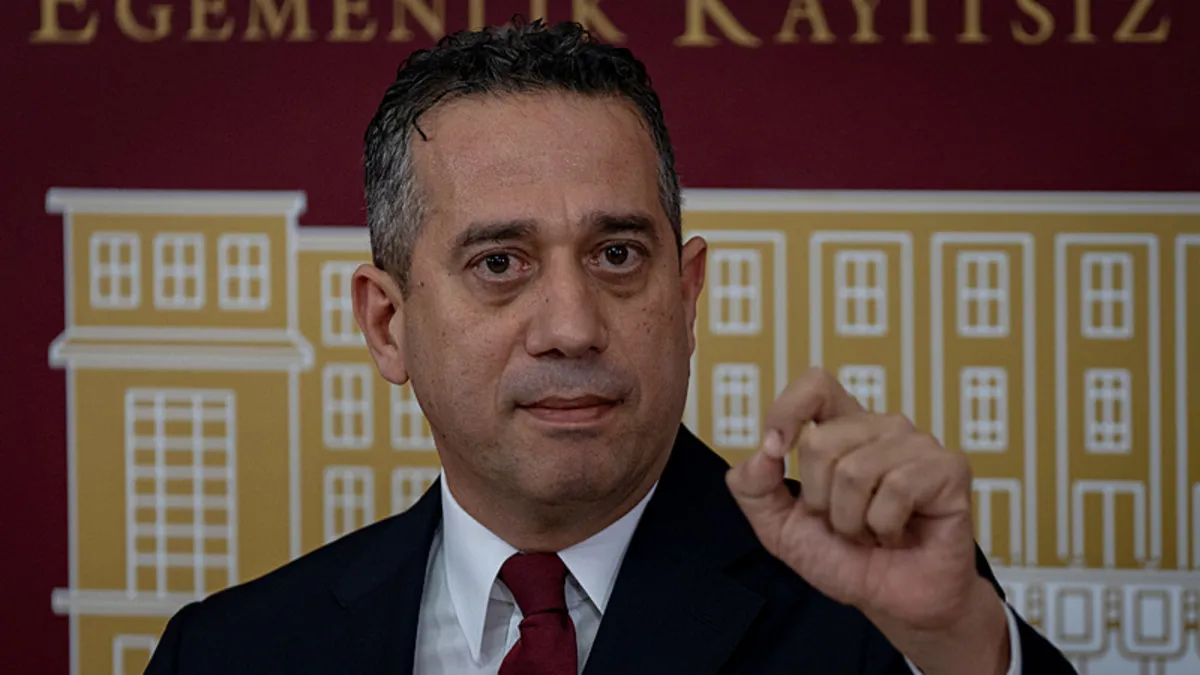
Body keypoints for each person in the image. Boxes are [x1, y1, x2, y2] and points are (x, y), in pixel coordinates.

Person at [146, 18, 1076, 675]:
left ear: (686, 293)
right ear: (387, 325)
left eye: (618, 255)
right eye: (500, 262)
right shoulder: (229, 652)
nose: (573, 326)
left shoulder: (881, 620)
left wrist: (962, 650)